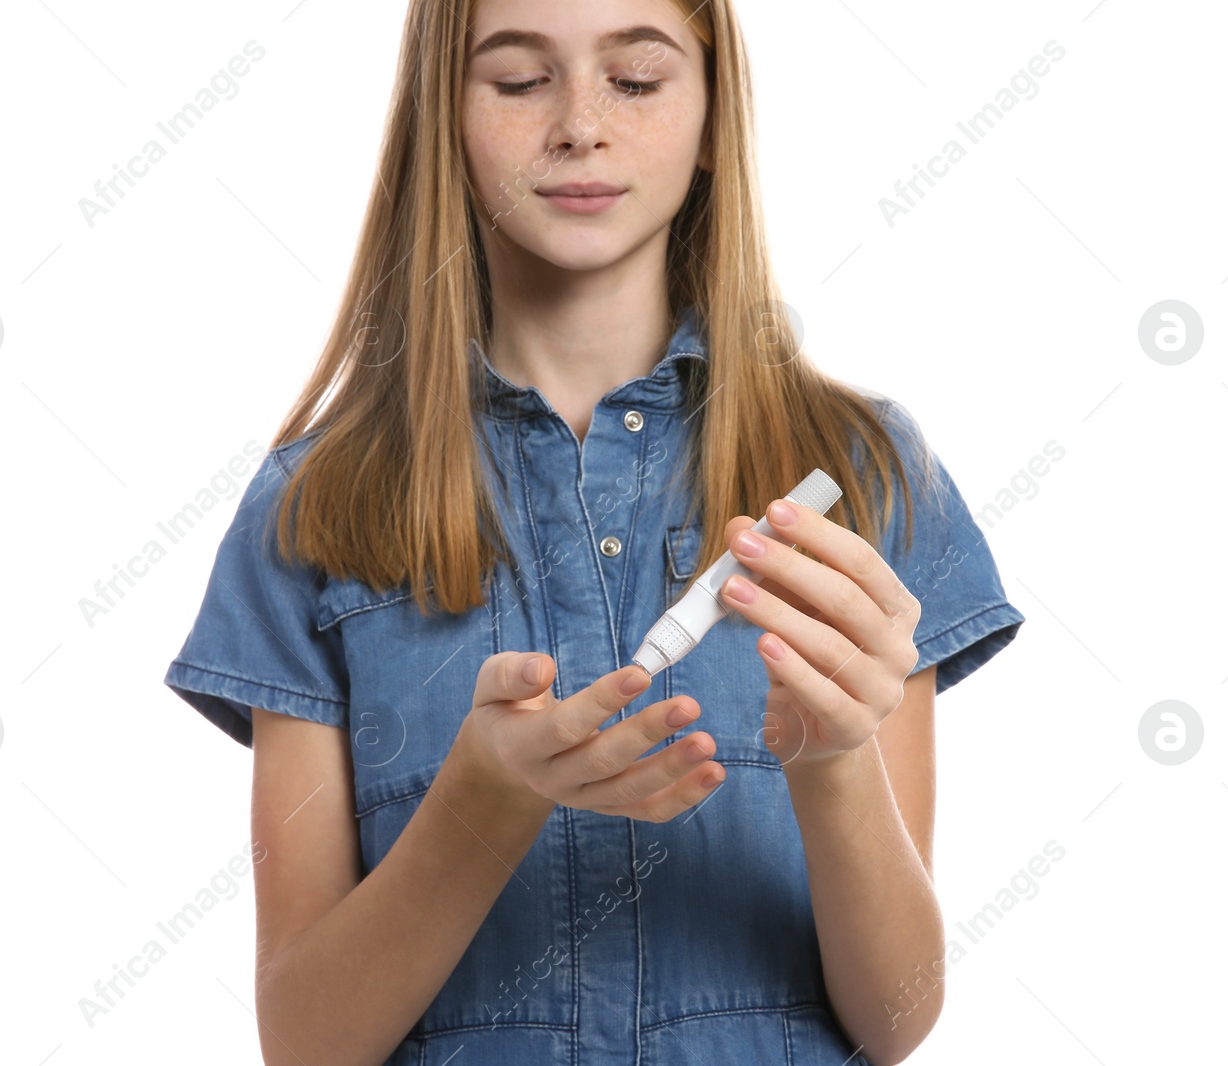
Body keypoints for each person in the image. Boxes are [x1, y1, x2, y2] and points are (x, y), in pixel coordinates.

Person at [163, 1, 1025, 1062]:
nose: (579, 124)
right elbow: (307, 1042)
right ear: (445, 118)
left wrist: (833, 760)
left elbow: (898, 1021)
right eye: (520, 81)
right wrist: (483, 801)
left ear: (713, 118)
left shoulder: (860, 477)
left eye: (636, 80)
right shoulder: (318, 503)